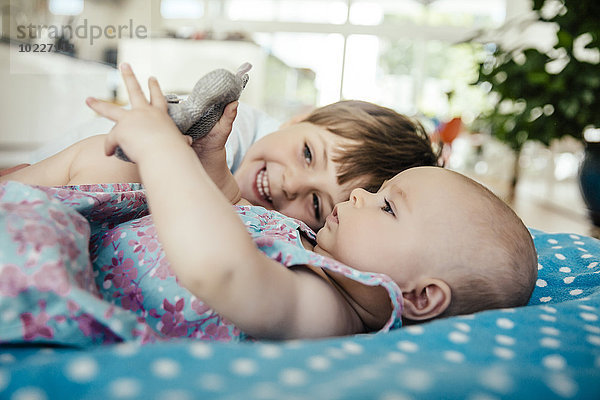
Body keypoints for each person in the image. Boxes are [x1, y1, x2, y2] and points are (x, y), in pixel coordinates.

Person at [72, 63, 536, 339]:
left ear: (420, 296)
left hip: (69, 290)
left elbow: (224, 270)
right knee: (108, 165)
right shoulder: (314, 248)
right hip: (81, 242)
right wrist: (211, 159)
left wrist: (161, 150)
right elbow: (236, 212)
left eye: (387, 206)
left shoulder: (327, 311)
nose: (360, 197)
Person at [0, 75, 438, 232]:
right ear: (299, 118)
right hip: (41, 173)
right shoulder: (231, 126)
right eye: (308, 154)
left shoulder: (286, 232)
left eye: (317, 203)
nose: (290, 184)